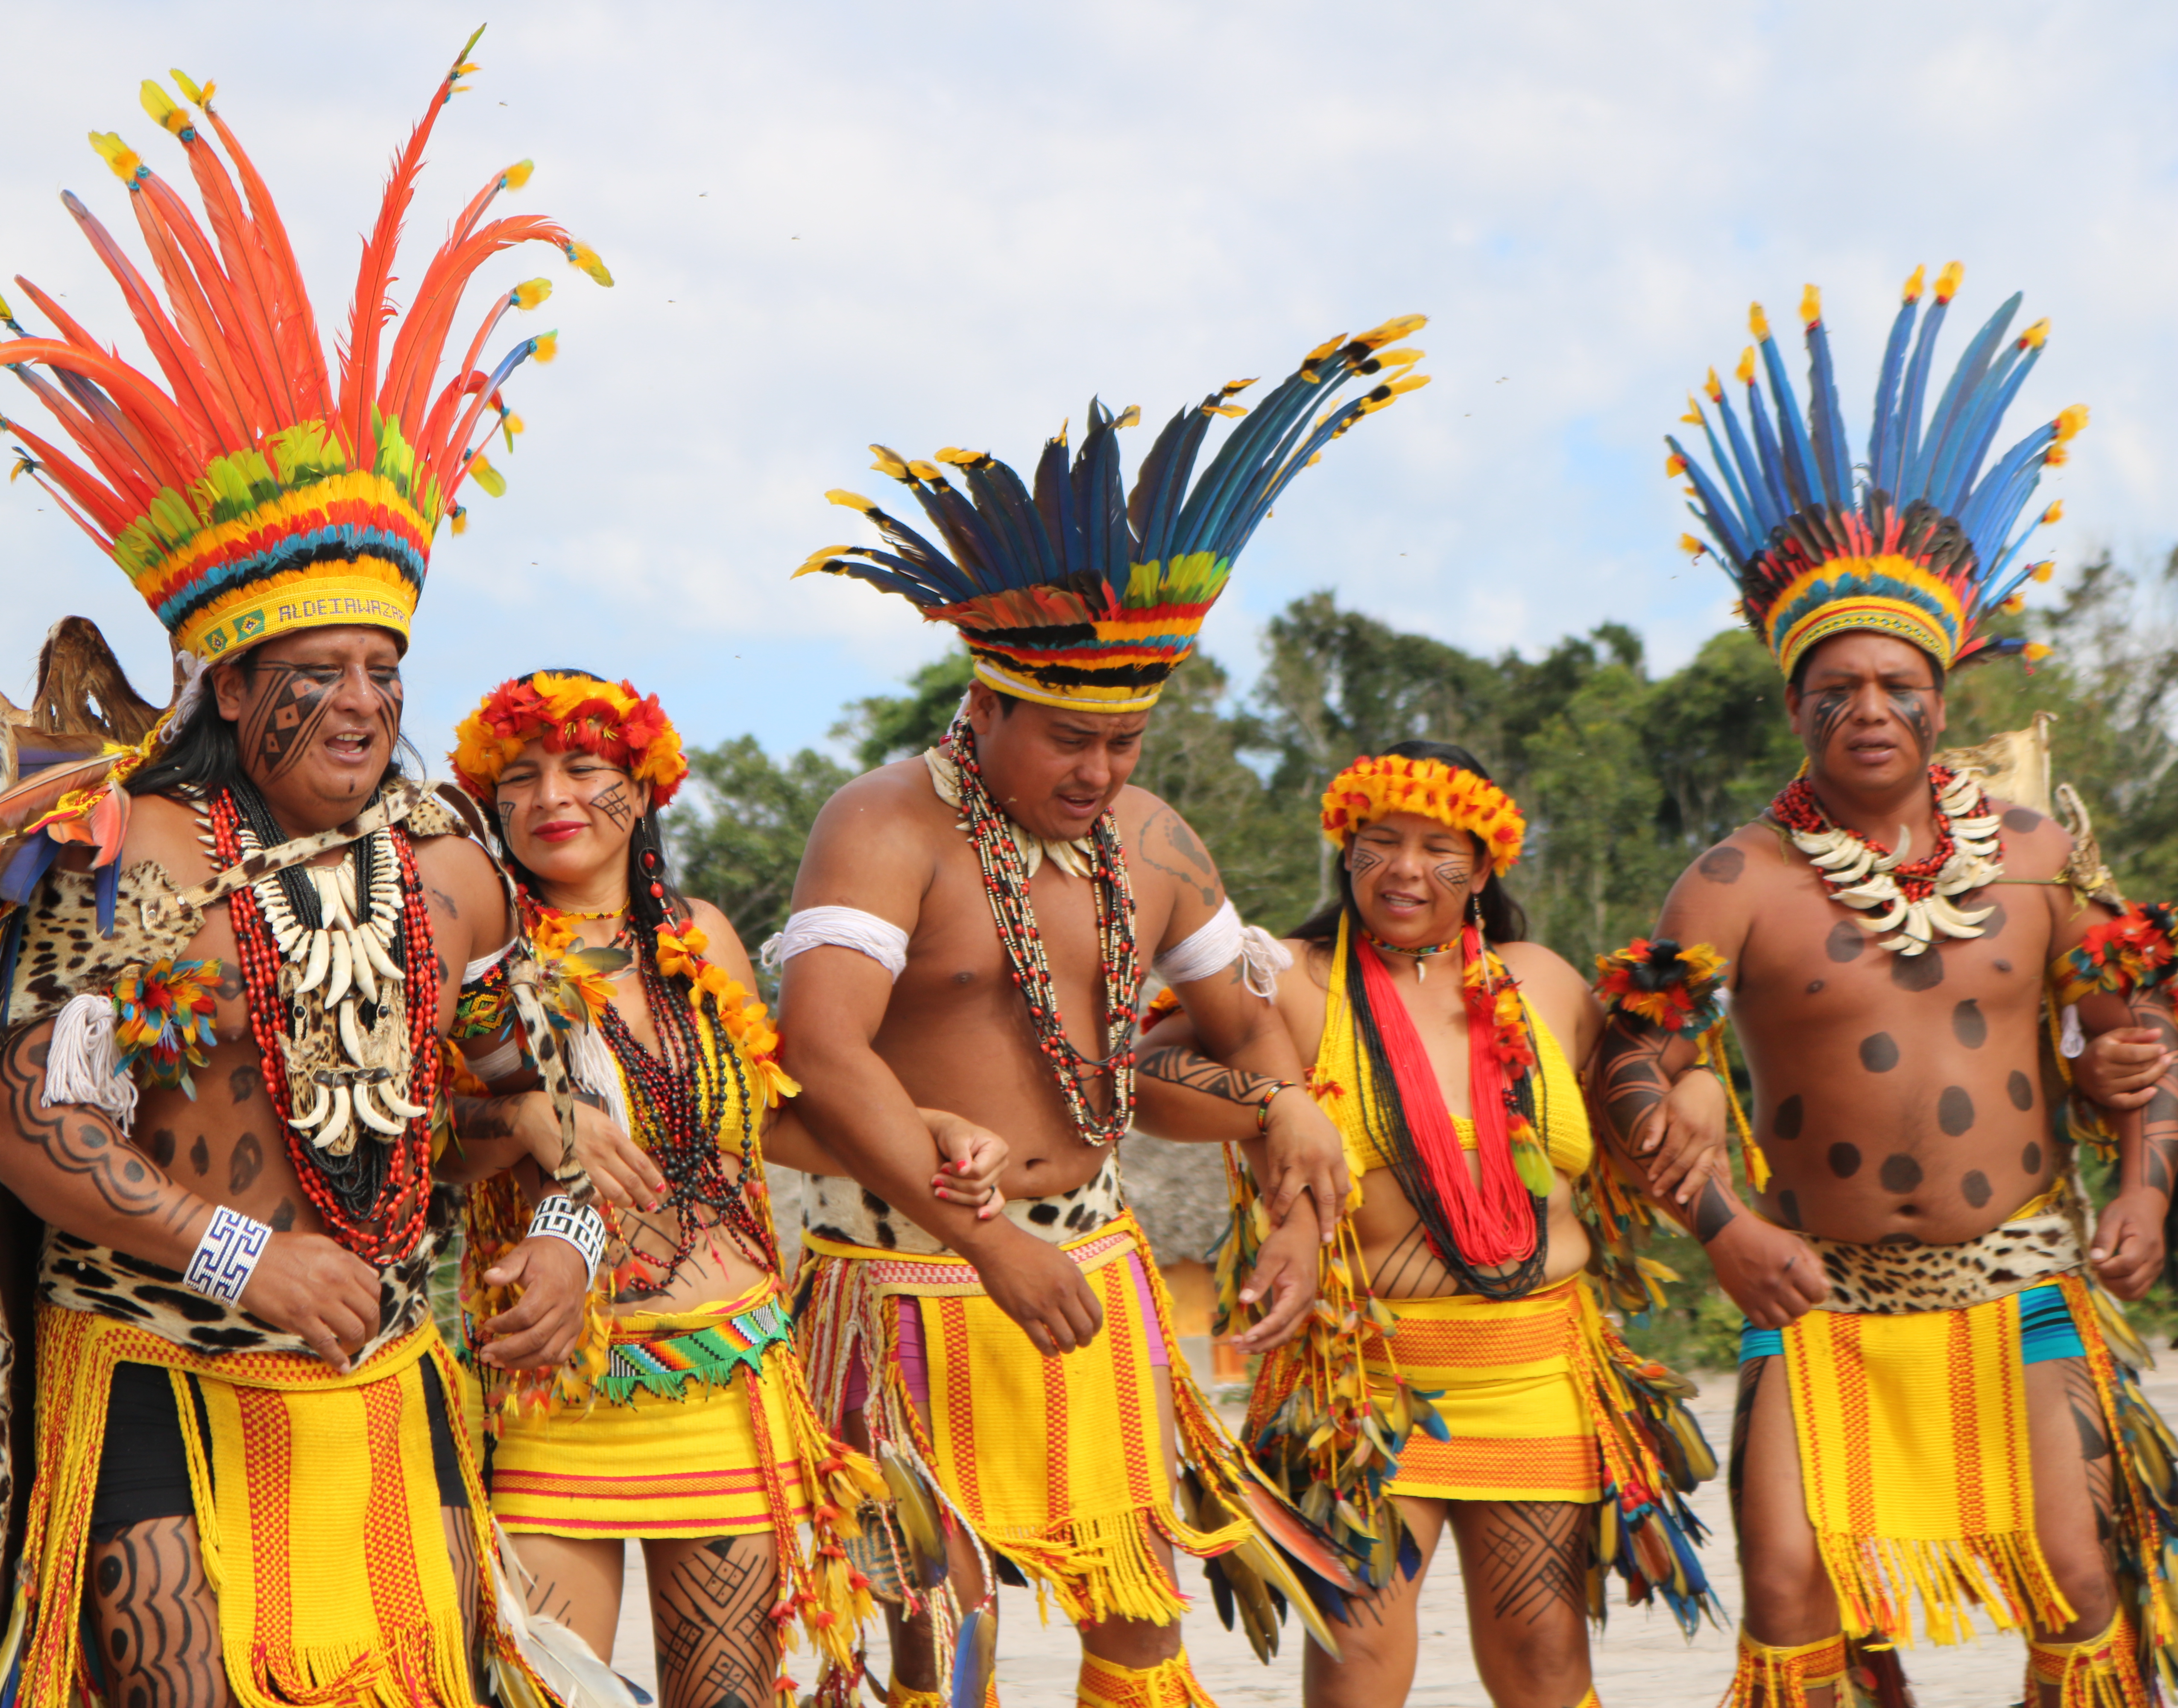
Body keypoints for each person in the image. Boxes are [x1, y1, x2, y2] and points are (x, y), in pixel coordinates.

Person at [0, 44, 619, 1706]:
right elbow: (29, 1119)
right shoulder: (132, 855)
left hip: (385, 1384)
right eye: (318, 671)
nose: (360, 703)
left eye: (383, 671)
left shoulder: (452, 873)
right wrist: (243, 1258)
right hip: (162, 1376)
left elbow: (548, 1103)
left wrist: (567, 1237)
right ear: (225, 683)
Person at [775, 325, 1428, 1708]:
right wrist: (989, 1243)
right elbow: (821, 1052)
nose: (1101, 770)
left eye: (1125, 741)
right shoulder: (882, 826)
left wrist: (1292, 1179)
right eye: (1070, 739)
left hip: (1098, 1266)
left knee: (1139, 1627)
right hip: (907, 1279)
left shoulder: (1154, 837)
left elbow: (1247, 1038)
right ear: (987, 705)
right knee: (936, 1640)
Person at [1620, 265, 2178, 1708]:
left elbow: (2142, 1035)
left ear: (1941, 693)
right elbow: (1629, 1071)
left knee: (2078, 1577)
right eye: (1837, 688)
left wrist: (2145, 1187)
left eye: (1896, 684)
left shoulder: (2041, 856)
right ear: (1794, 701)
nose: (1868, 708)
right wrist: (1724, 1230)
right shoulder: (1734, 881)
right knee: (1795, 1592)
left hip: (2023, 1279)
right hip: (1815, 1290)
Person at [437, 669, 1017, 1708]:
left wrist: (924, 1127)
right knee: (543, 1695)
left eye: (583, 766)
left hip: (726, 1378)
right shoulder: (481, 957)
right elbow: (428, 1148)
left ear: (644, 786)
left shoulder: (699, 936)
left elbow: (763, 1122)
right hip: (553, 1391)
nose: (551, 795)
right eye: (518, 777)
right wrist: (525, 1115)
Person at [1132, 741, 1718, 1708]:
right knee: (1357, 1668)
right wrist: (1279, 1101)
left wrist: (1697, 1085)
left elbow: (1638, 1085)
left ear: (1484, 868)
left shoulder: (1541, 981)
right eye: (1382, 841)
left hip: (1534, 1368)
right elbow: (1144, 1075)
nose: (1405, 868)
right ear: (1347, 849)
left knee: (1545, 1661)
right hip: (1364, 1384)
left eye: (1439, 848)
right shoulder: (1289, 978)